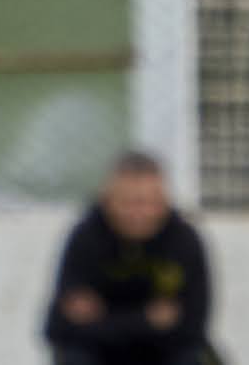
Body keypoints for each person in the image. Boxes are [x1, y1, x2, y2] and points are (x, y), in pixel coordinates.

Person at [44, 151, 215, 362]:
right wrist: (148, 320)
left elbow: (192, 329)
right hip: (98, 355)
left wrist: (101, 319)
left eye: (150, 202)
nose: (139, 214)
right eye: (128, 203)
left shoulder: (184, 241)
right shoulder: (85, 237)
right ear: (107, 200)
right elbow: (58, 329)